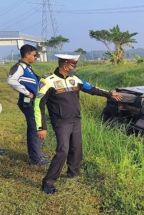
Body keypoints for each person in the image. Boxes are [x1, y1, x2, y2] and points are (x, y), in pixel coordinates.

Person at [34, 54, 122, 194]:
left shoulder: (75, 80)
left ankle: (73, 173)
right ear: (65, 64)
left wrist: (109, 94)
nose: (75, 67)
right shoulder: (48, 81)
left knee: (76, 148)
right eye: (73, 65)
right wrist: (41, 127)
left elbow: (92, 89)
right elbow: (39, 104)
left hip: (76, 120)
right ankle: (48, 182)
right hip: (61, 122)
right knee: (63, 150)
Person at [7, 44, 48, 165]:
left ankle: (36, 154)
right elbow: (11, 80)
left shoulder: (27, 67)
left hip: (32, 103)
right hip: (27, 103)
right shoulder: (19, 67)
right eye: (34, 55)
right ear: (27, 54)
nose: (36, 57)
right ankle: (36, 159)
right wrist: (27, 92)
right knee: (35, 128)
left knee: (35, 127)